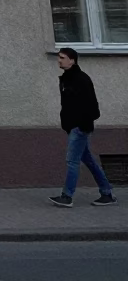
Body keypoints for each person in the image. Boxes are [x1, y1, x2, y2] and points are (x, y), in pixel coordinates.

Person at [50, 47, 117, 208]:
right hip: (73, 127)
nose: (59, 60)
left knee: (72, 161)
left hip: (80, 128)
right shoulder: (66, 78)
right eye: (59, 57)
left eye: (62, 58)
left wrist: (82, 125)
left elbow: (92, 106)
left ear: (72, 60)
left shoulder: (81, 79)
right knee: (88, 160)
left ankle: (67, 196)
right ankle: (107, 193)